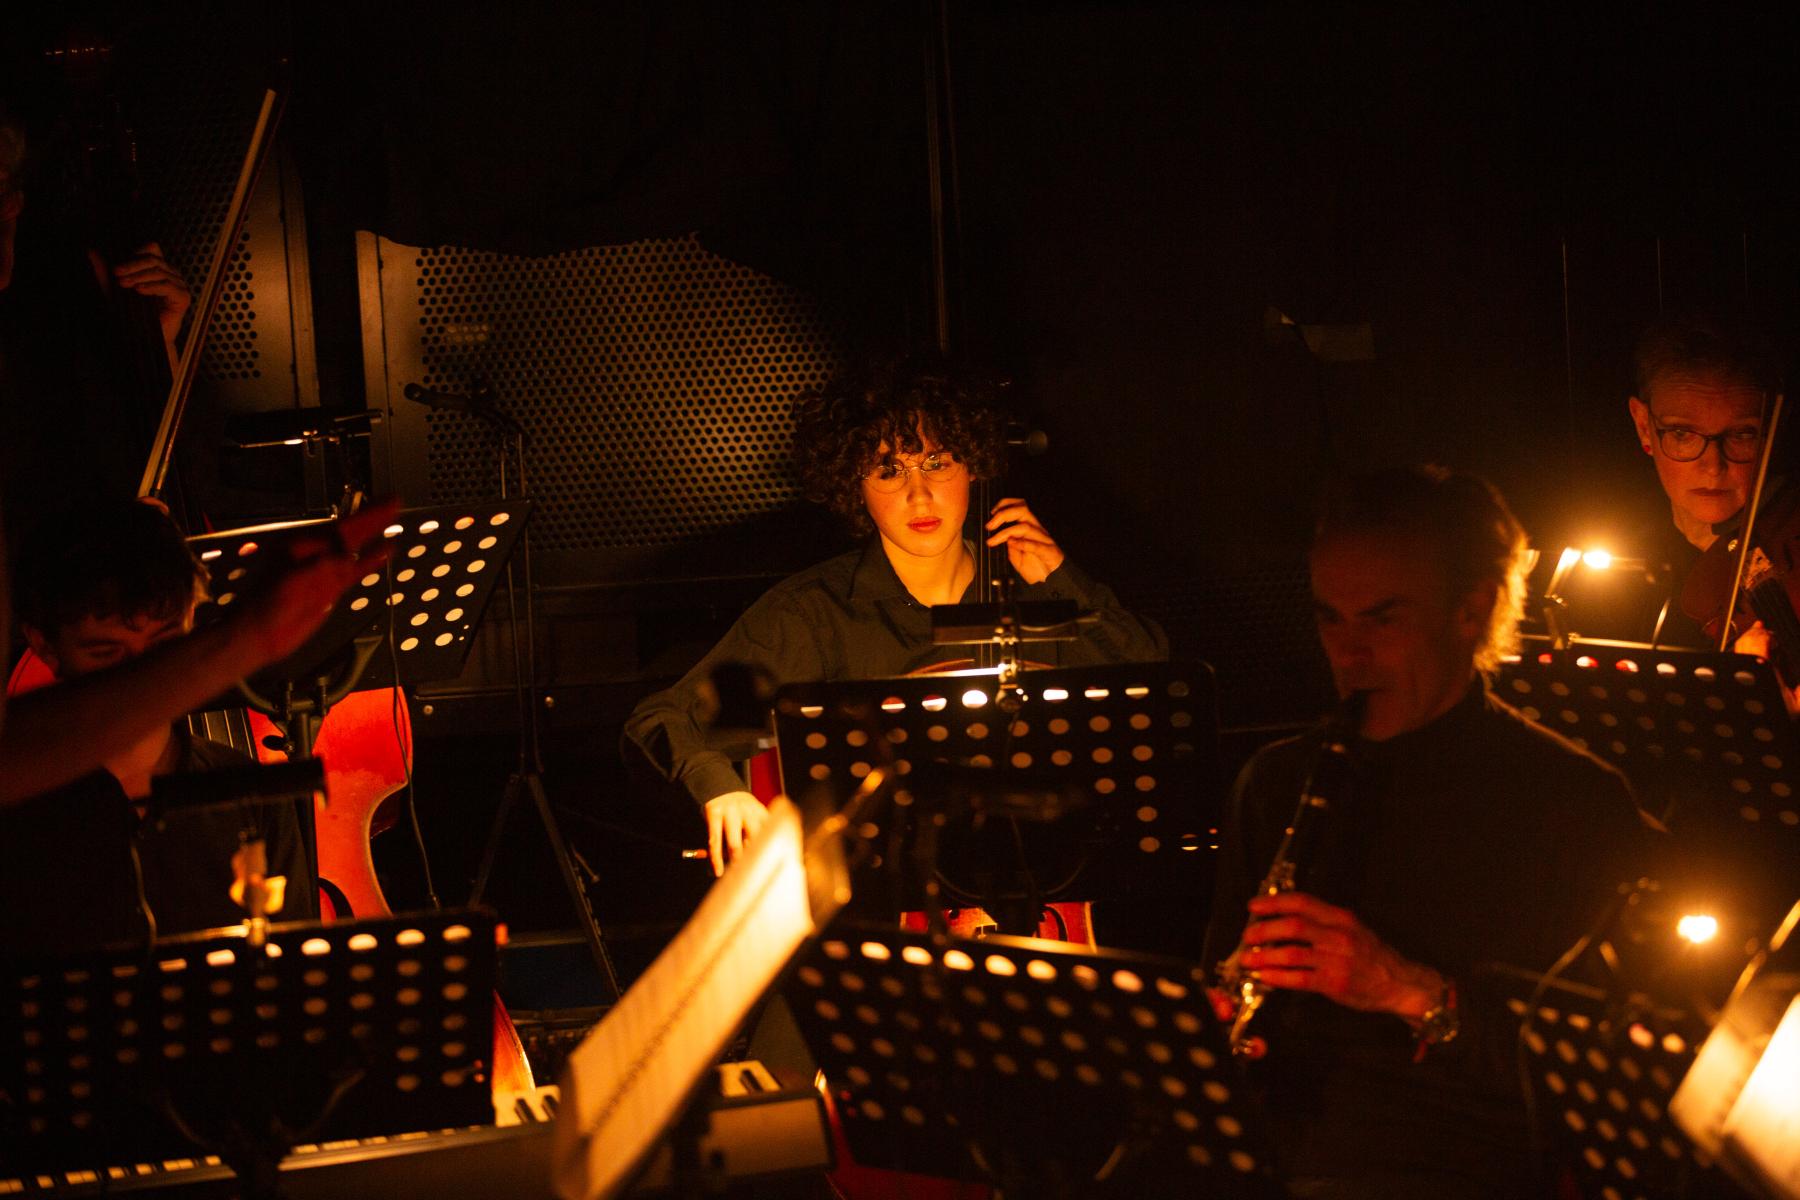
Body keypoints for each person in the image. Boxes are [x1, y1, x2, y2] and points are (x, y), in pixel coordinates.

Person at [1203, 465, 1650, 1199]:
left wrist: (1408, 990)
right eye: (1330, 619)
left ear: (1471, 611)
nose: (1349, 654)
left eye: (1382, 620)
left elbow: (1609, 1072)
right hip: (1283, 1159)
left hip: (1465, 1171)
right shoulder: (1278, 781)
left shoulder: (1571, 798)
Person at [625, 355, 1167, 875]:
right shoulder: (814, 611)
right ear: (854, 486)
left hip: (1043, 882)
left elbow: (1153, 675)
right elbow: (664, 717)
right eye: (889, 471)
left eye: (937, 463)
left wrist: (1060, 577)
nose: (919, 495)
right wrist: (721, 789)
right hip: (884, 900)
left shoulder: (1033, 588)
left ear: (973, 466)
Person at [0, 497, 395, 957]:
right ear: (43, 645)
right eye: (105, 654)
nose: (146, 680)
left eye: (166, 644)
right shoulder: (18, 808)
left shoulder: (253, 795)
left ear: (191, 617)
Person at [1624, 313, 1798, 710]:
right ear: (1644, 426)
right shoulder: (1629, 542)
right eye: (1683, 434)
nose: (1713, 466)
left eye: (1742, 434)